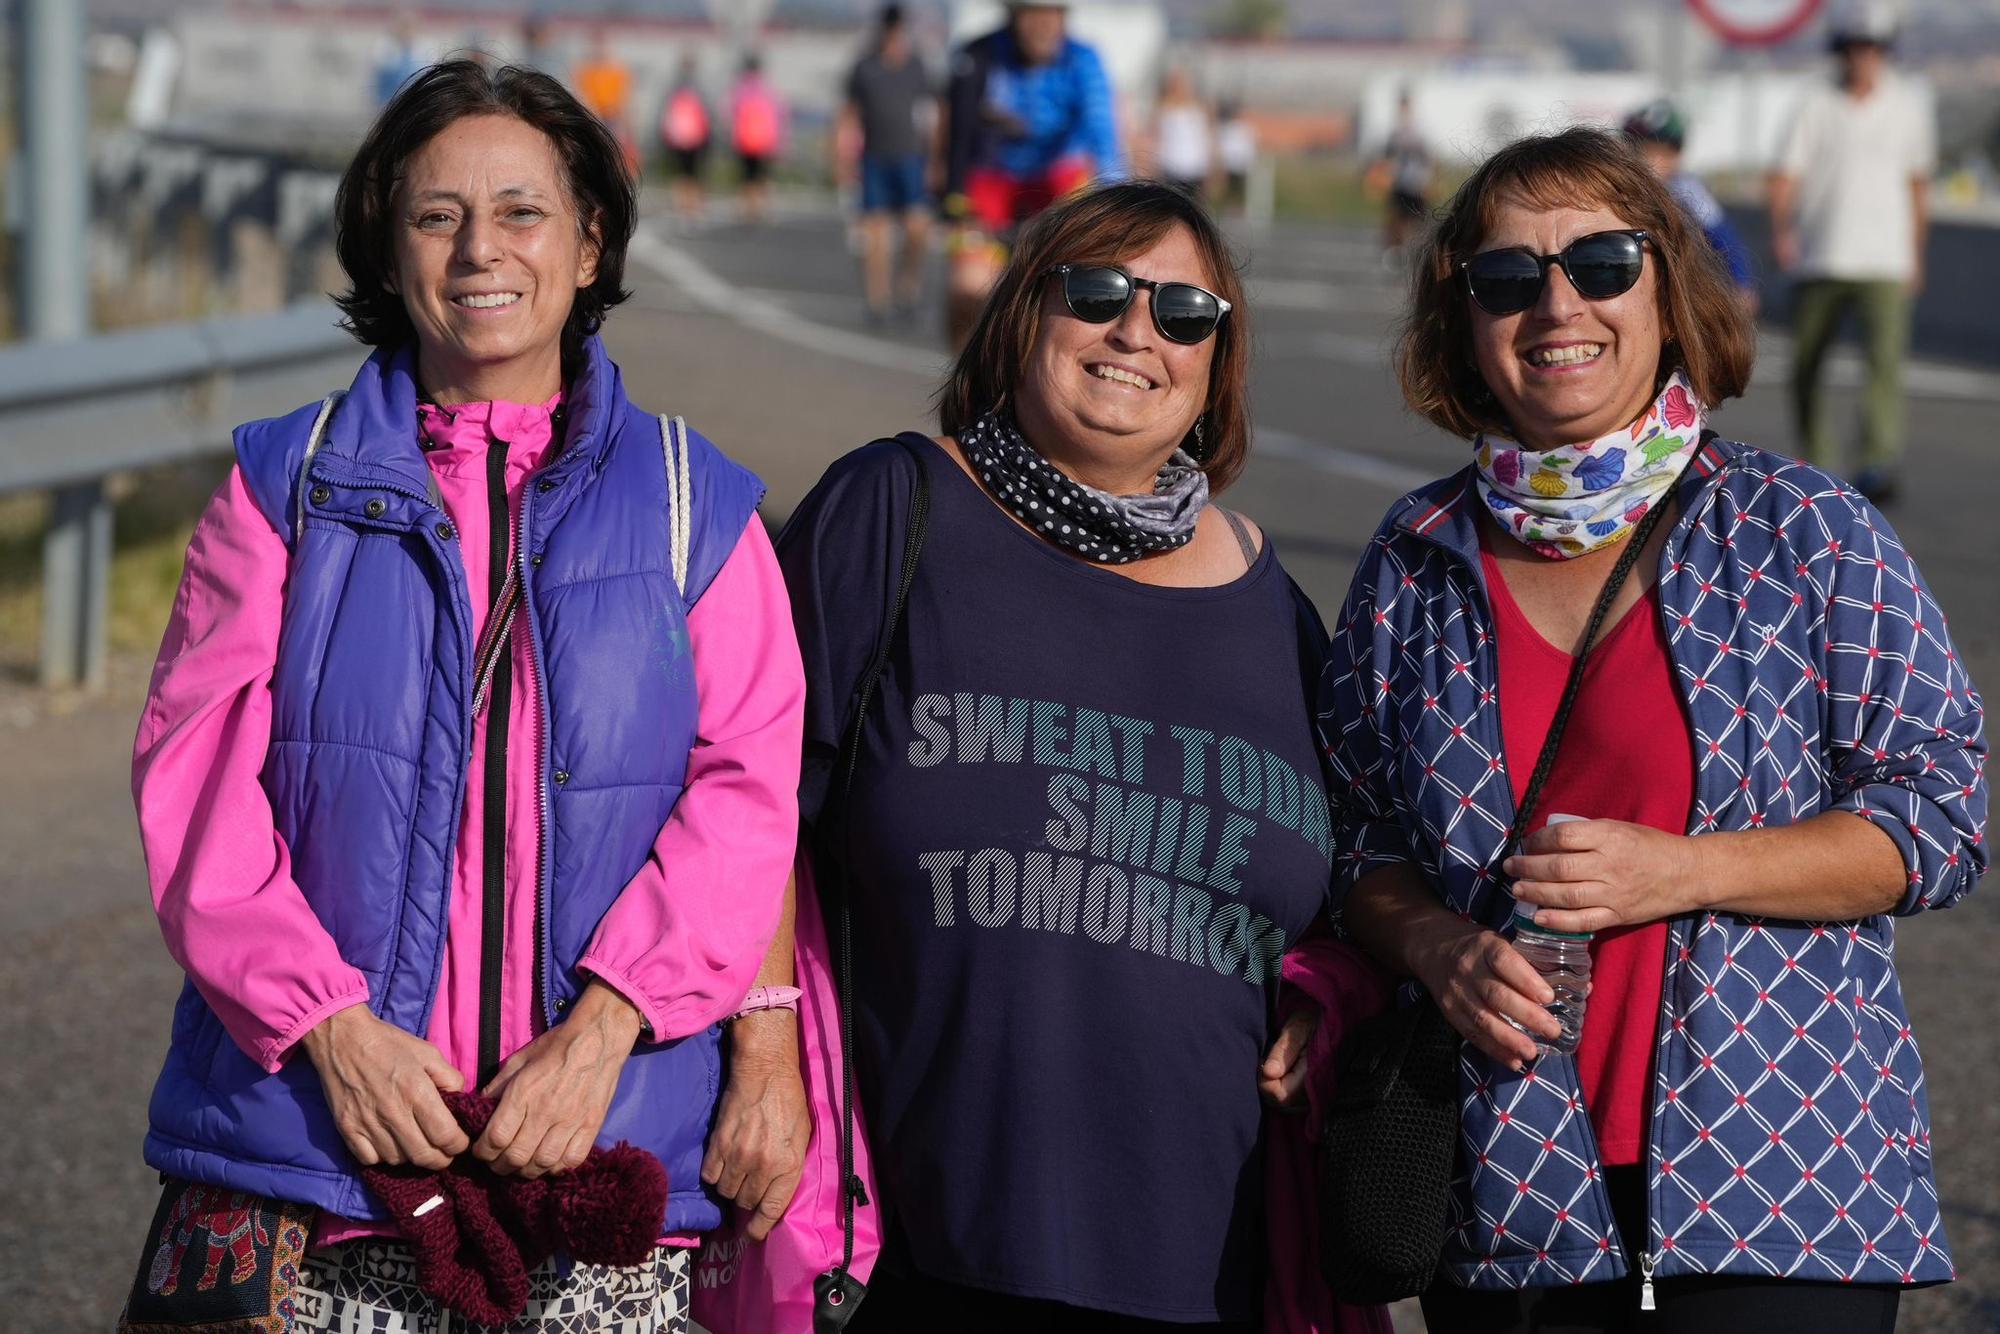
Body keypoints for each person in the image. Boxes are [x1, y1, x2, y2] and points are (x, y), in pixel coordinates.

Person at [129, 60, 804, 1332]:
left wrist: (607, 1030)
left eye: (522, 211)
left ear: (592, 241)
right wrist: (329, 1028)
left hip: (602, 1159)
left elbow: (748, 788)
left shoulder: (694, 503)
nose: (479, 247)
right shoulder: (285, 484)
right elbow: (194, 783)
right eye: (436, 215)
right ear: (387, 251)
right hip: (321, 1158)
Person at [1322, 126, 1985, 1332]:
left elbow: (1938, 816)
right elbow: (1354, 835)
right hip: (1507, 1203)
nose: (1556, 303)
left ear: (1666, 286)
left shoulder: (1804, 527)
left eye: (1602, 261)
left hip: (1781, 1197)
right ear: (1463, 319)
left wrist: (1683, 868)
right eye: (1508, 277)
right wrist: (1432, 944)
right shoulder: (1413, 558)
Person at [706, 180, 1378, 1331]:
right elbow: (751, 799)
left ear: (1217, 363)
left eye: (1183, 311)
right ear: (1023, 314)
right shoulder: (894, 508)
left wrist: (1330, 990)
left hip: (1205, 1261)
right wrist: (761, 1055)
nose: (1136, 331)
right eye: (1098, 291)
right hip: (913, 1240)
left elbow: (1336, 895)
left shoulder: (1278, 611)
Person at [1769, 0, 1935, 504]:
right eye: (1855, 48)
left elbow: (1917, 185)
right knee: (1807, 363)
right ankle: (1816, 460)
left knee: (1884, 364)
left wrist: (1916, 253)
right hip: (1823, 256)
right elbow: (1785, 176)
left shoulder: (1907, 106)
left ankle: (1875, 462)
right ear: (1841, 52)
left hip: (1885, 260)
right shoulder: (1815, 105)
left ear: (1884, 53)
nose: (1864, 58)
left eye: (1873, 48)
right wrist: (1783, 230)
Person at [938, 0, 1126, 346]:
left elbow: (1104, 138)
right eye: (1032, 13)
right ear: (1011, 15)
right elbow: (955, 135)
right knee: (966, 288)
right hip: (990, 185)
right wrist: (953, 199)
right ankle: (965, 383)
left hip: (1060, 184)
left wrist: (1118, 207)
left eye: (1052, 13)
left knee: (1073, 301)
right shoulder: (977, 55)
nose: (1043, 24)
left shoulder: (1084, 60)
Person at [840, 3, 936, 322]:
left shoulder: (916, 67)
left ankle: (908, 289)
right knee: (875, 231)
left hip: (910, 157)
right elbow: (850, 115)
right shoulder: (864, 68)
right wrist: (843, 156)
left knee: (915, 228)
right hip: (875, 157)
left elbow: (933, 115)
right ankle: (877, 300)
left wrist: (936, 158)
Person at [1622, 97, 1757, 313]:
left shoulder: (1686, 189)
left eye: (1661, 153)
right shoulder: (1619, 189)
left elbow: (1723, 235)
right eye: (1642, 150)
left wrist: (1741, 283)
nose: (1649, 161)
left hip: (1675, 286)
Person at [1370, 89, 1432, 255]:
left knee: (1418, 219)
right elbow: (1386, 158)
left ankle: (1417, 251)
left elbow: (1427, 158)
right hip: (1400, 182)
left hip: (1416, 183)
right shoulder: (1394, 133)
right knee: (1396, 219)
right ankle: (1394, 250)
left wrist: (1427, 181)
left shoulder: (1419, 131)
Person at [731, 53, 788, 225]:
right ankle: (763, 206)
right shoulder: (769, 90)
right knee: (764, 175)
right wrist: (781, 142)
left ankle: (749, 209)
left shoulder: (740, 89)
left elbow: (730, 114)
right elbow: (780, 115)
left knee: (747, 175)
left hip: (744, 141)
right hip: (766, 141)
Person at [572, 26, 638, 173]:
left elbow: (624, 101)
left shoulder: (617, 71)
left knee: (614, 156)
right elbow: (581, 97)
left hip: (612, 118)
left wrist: (627, 127)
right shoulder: (584, 70)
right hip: (593, 118)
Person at [661, 53, 713, 220]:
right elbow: (708, 112)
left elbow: (665, 112)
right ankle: (693, 206)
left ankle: (681, 205)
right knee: (695, 171)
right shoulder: (701, 86)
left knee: (681, 172)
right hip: (697, 136)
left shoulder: (673, 86)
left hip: (678, 137)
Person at [1150, 66, 1214, 200]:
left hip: (1195, 168)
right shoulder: (1163, 108)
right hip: (1170, 167)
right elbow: (1155, 138)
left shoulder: (1200, 108)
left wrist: (1213, 169)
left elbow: (1208, 139)